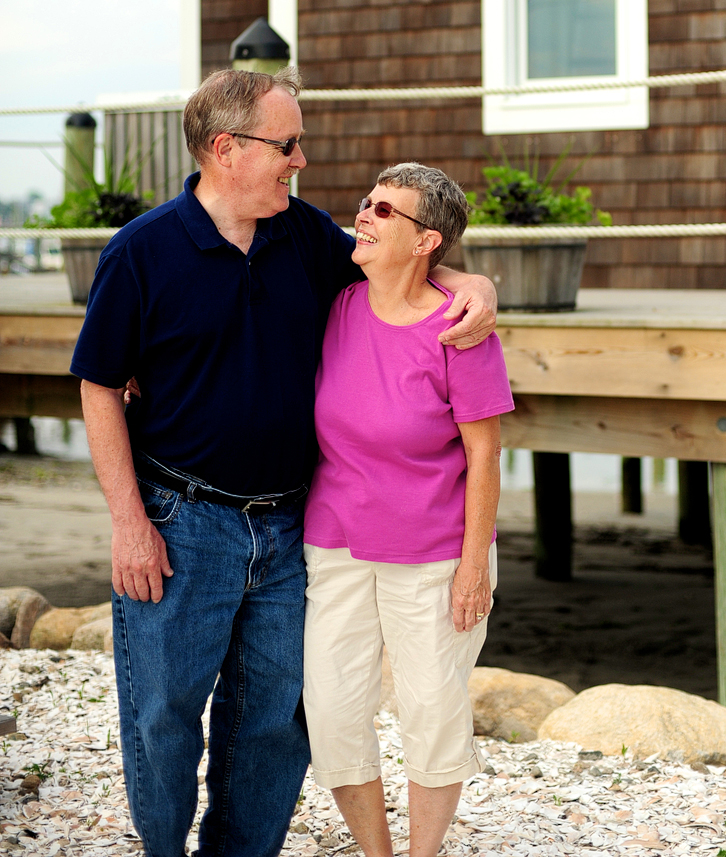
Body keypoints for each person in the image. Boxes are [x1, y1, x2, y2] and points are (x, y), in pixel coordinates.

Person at [69, 69, 497, 857]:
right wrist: (129, 523)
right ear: (227, 149)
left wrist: (475, 280)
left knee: (271, 720)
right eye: (287, 144)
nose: (301, 159)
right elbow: (99, 387)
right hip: (181, 521)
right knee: (163, 712)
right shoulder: (140, 253)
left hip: (293, 526)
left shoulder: (302, 236)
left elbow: (403, 266)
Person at [302, 162, 515, 857]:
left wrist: (473, 567)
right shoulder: (337, 301)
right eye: (366, 202)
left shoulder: (461, 330)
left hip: (434, 550)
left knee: (432, 710)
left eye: (384, 210)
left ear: (426, 240)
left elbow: (486, 456)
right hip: (334, 541)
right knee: (332, 710)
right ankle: (377, 852)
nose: (363, 214)